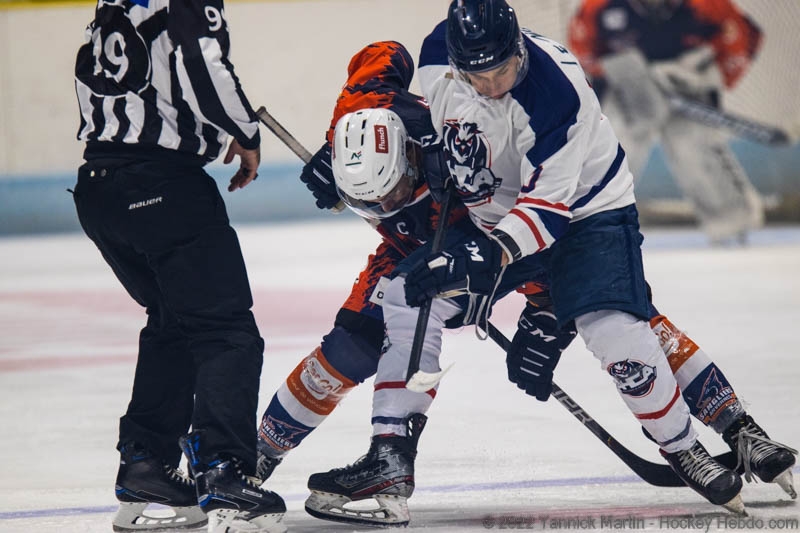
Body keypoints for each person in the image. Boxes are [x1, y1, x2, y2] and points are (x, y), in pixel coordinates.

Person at [303, 0, 797, 525]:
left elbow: (547, 211)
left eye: (503, 70)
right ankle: (391, 459)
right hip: (492, 217)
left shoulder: (554, 95)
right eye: (478, 74)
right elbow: (413, 109)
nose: (492, 83)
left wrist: (490, 262)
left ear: (519, 48)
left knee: (615, 326)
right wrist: (346, 149)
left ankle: (690, 445)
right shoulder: (435, 54)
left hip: (586, 217)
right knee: (406, 296)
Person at [72, 1, 285, 531]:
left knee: (172, 323)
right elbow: (202, 63)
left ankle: (146, 462)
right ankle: (224, 472)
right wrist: (245, 132)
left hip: (100, 188)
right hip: (162, 186)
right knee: (226, 329)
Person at [567, 0, 764, 244]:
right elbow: (581, 51)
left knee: (693, 149)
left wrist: (702, 74)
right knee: (616, 150)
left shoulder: (708, 5)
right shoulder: (599, 6)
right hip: (628, 88)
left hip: (685, 84)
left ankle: (733, 226)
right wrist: (624, 71)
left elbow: (741, 39)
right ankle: (589, 226)